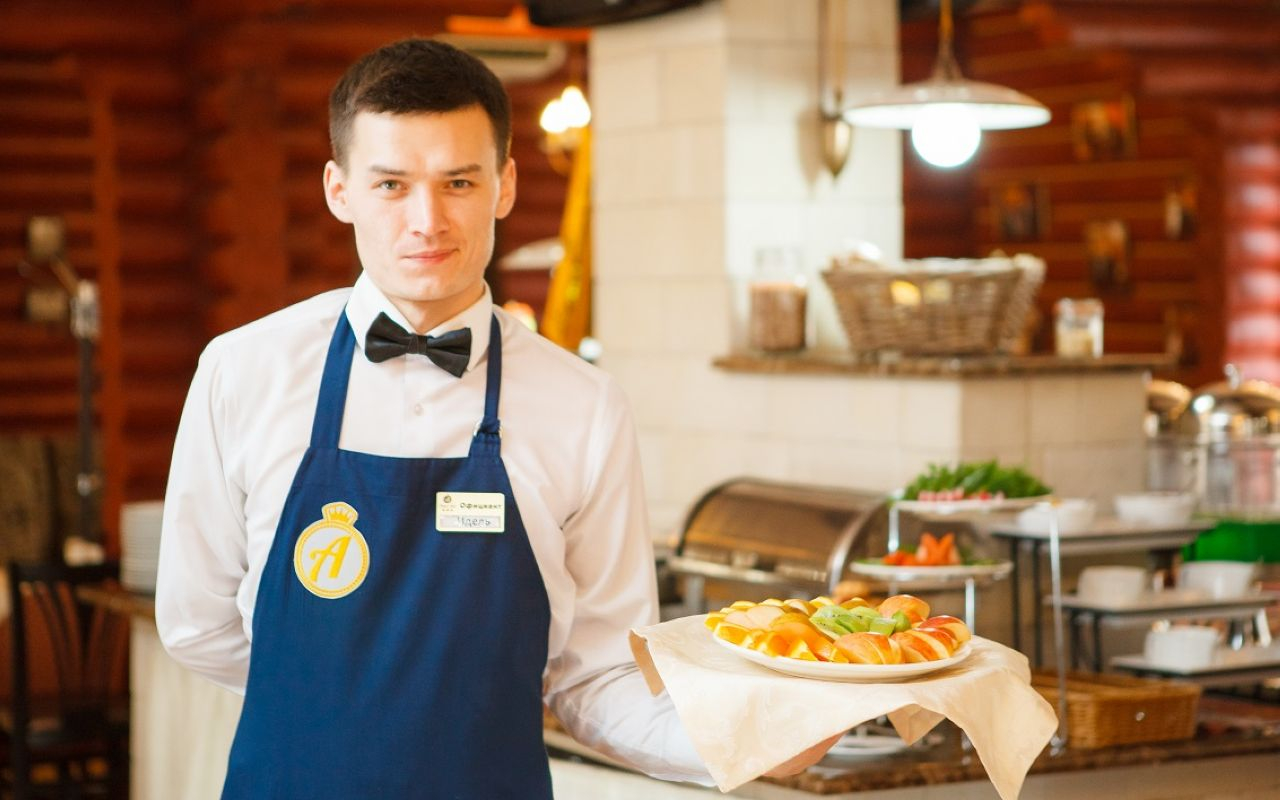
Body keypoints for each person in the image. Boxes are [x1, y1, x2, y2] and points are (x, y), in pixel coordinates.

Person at [157, 38, 831, 798]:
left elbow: (596, 675)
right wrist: (343, 706)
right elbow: (196, 624)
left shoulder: (583, 406)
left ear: (504, 185)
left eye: (458, 182)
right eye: (391, 184)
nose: (427, 221)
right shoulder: (243, 371)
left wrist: (745, 742)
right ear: (339, 190)